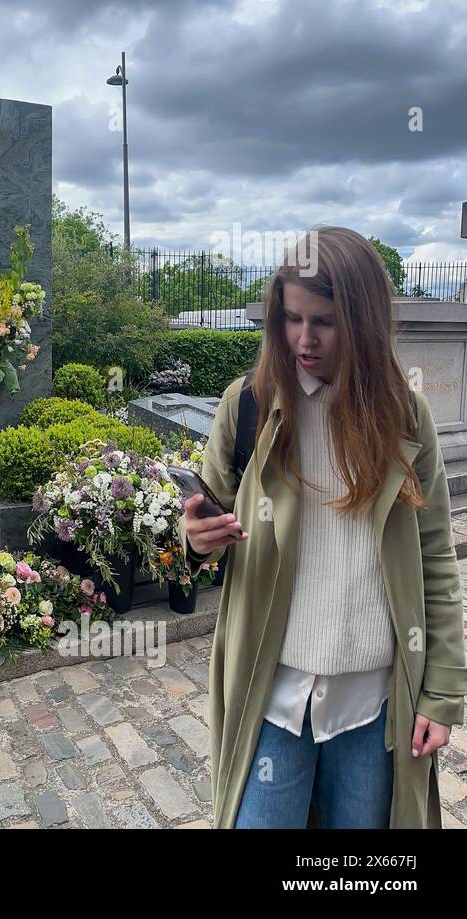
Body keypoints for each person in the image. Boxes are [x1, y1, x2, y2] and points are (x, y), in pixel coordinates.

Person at [180, 226, 467, 828]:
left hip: (374, 706)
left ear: (363, 321)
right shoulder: (248, 404)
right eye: (291, 319)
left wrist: (441, 695)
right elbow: (205, 524)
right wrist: (196, 541)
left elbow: (437, 560)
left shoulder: (405, 417)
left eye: (325, 322)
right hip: (272, 694)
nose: (303, 340)